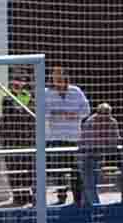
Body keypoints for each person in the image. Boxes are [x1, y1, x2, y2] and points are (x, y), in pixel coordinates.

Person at [45, 66, 91, 205]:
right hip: (55, 137)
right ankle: (61, 197)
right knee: (59, 169)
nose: (57, 78)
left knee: (75, 169)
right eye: (55, 75)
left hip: (74, 137)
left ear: (65, 76)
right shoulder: (46, 93)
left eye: (60, 75)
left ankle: (78, 198)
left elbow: (86, 110)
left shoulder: (76, 91)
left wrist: (75, 114)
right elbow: (43, 113)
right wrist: (58, 114)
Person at [0, 79, 36, 206]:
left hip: (26, 139)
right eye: (14, 84)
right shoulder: (7, 99)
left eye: (19, 83)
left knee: (28, 169)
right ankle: (17, 195)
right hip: (11, 140)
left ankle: (27, 194)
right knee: (14, 169)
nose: (17, 85)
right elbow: (12, 114)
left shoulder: (28, 98)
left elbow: (31, 115)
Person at [78, 103, 120, 207]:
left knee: (91, 184)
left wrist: (107, 143)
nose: (105, 117)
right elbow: (90, 142)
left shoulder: (112, 122)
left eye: (107, 114)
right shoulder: (90, 122)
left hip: (99, 156)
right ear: (98, 113)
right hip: (85, 155)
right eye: (103, 114)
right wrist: (106, 143)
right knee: (89, 184)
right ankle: (97, 206)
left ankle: (85, 206)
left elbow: (115, 140)